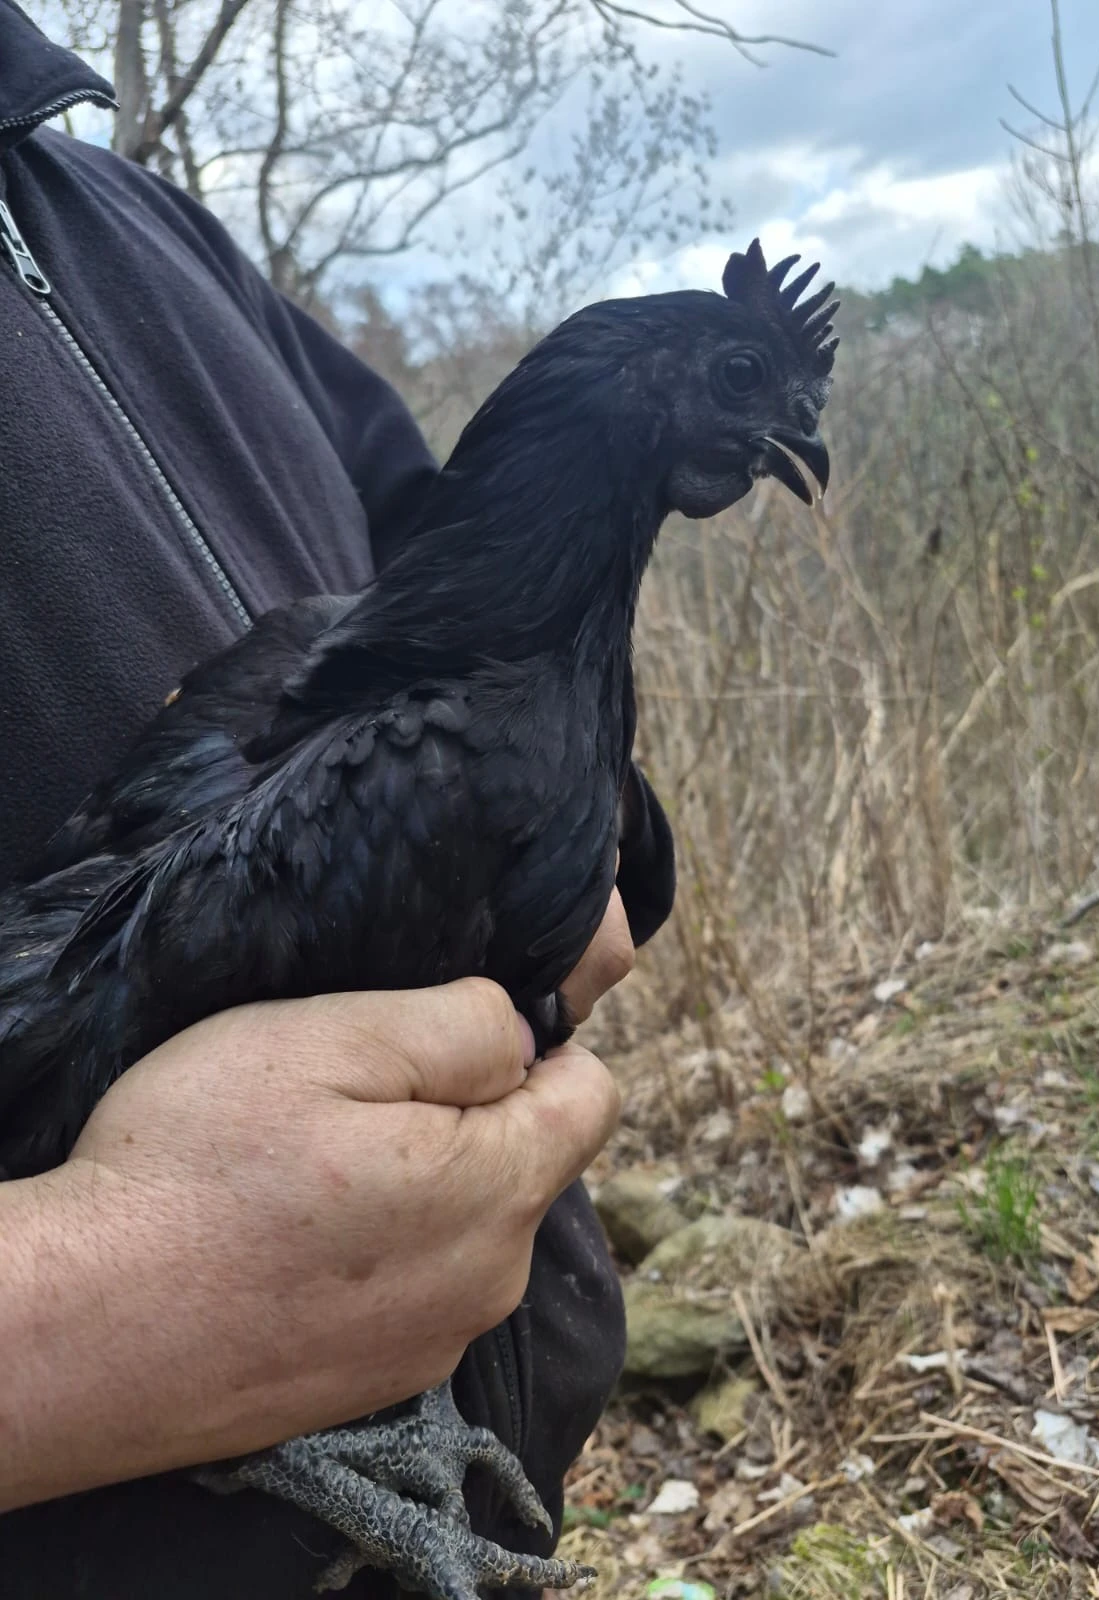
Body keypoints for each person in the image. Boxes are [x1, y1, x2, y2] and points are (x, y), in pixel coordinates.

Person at [0, 2, 659, 1592]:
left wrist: (580, 813)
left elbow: (425, 554)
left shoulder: (126, 226)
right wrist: (75, 1320)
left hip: (455, 1503)